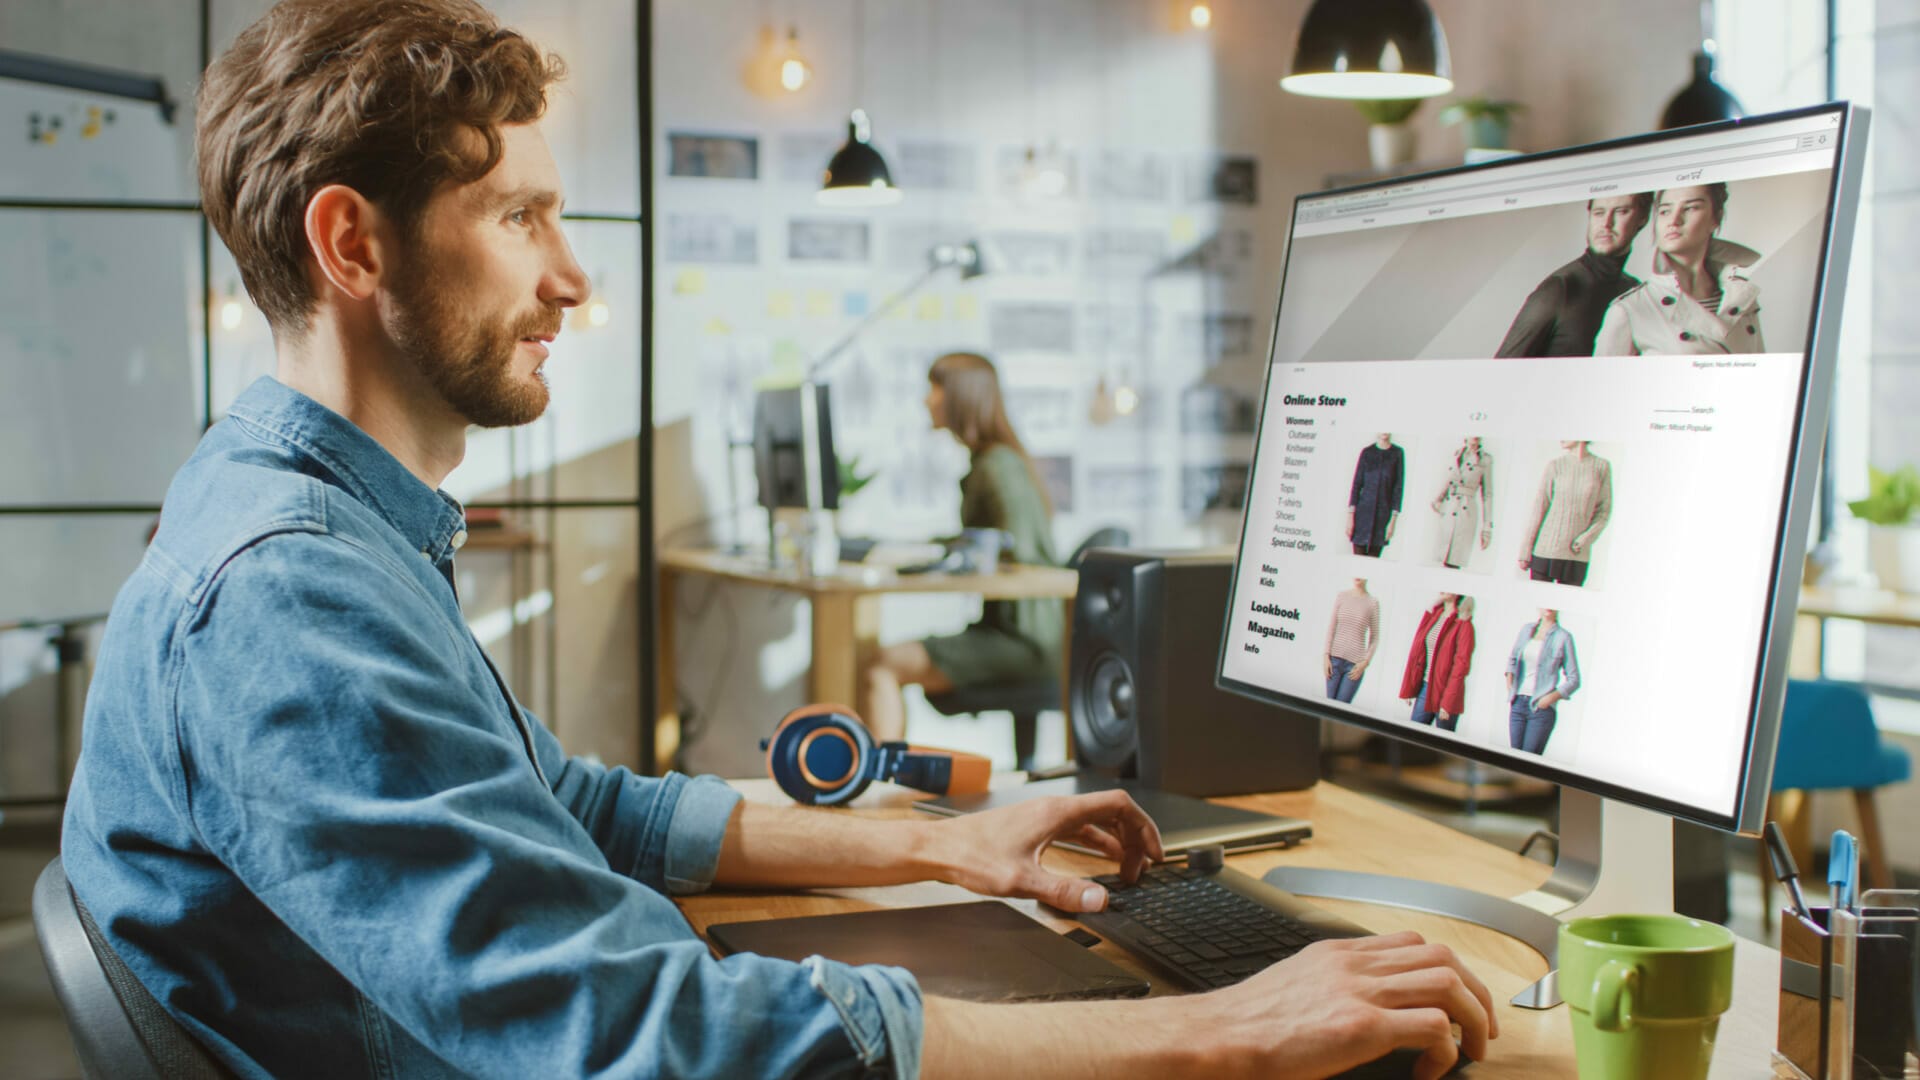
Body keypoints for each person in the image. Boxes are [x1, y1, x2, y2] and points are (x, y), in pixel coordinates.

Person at [59, 3, 1497, 1078]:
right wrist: (1220, 1028)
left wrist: (947, 846)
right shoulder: (290, 597)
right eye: (520, 217)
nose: (571, 276)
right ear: (353, 246)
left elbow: (571, 807)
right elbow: (639, 1032)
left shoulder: (316, 525)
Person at [860, 353, 1061, 744]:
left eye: (935, 388)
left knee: (881, 666)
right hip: (1006, 631)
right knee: (881, 661)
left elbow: (1021, 555)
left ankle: (877, 785)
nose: (927, 400)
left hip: (1026, 640)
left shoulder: (999, 467)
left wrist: (951, 561)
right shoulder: (990, 463)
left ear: (961, 396)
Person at [1594, 183, 1767, 355]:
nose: (1674, 221)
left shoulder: (1741, 296)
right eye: (1665, 211)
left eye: (1690, 208)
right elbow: (1603, 381)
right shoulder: (1630, 309)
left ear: (1716, 218)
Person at [1495, 193, 1653, 358]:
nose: (1606, 224)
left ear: (1643, 218)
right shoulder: (1560, 288)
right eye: (1599, 212)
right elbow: (1501, 370)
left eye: (1620, 211)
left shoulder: (1634, 289)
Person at [1515, 440, 1613, 587]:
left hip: (1577, 556)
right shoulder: (1555, 465)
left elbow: (1603, 512)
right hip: (1545, 552)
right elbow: (1539, 509)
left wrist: (1585, 539)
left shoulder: (1601, 466)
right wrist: (1525, 551)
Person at [1506, 610, 1582, 754]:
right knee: (1513, 758)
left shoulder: (1563, 637)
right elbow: (1512, 659)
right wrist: (1510, 687)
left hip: (1541, 710)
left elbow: (1574, 679)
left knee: (1528, 763)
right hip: (1517, 705)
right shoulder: (1526, 629)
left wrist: (1549, 699)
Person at [1399, 594, 1474, 733]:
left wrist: (1448, 701)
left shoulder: (1464, 623)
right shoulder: (1434, 616)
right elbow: (1417, 653)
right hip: (1425, 688)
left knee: (1443, 743)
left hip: (1447, 692)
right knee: (1412, 737)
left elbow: (1461, 667)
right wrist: (1411, 686)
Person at [1430, 437, 1493, 570]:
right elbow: (1449, 478)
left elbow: (1487, 495)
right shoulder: (1456, 454)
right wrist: (1438, 498)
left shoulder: (1485, 459)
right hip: (1449, 508)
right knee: (1440, 559)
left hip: (1466, 512)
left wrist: (1487, 528)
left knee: (1454, 562)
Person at [1323, 578, 1380, 704]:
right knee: (1329, 705)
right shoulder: (1342, 596)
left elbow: (1375, 637)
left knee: (1341, 708)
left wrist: (1365, 662)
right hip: (1334, 661)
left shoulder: (1373, 603)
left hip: (1354, 667)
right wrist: (1326, 656)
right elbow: (1331, 627)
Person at [1348, 433, 1404, 557]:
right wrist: (1350, 517)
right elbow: (1356, 485)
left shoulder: (1397, 453)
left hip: (1382, 518)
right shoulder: (1367, 453)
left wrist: (1393, 521)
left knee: (1372, 564)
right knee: (1357, 563)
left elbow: (1398, 488)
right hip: (1362, 516)